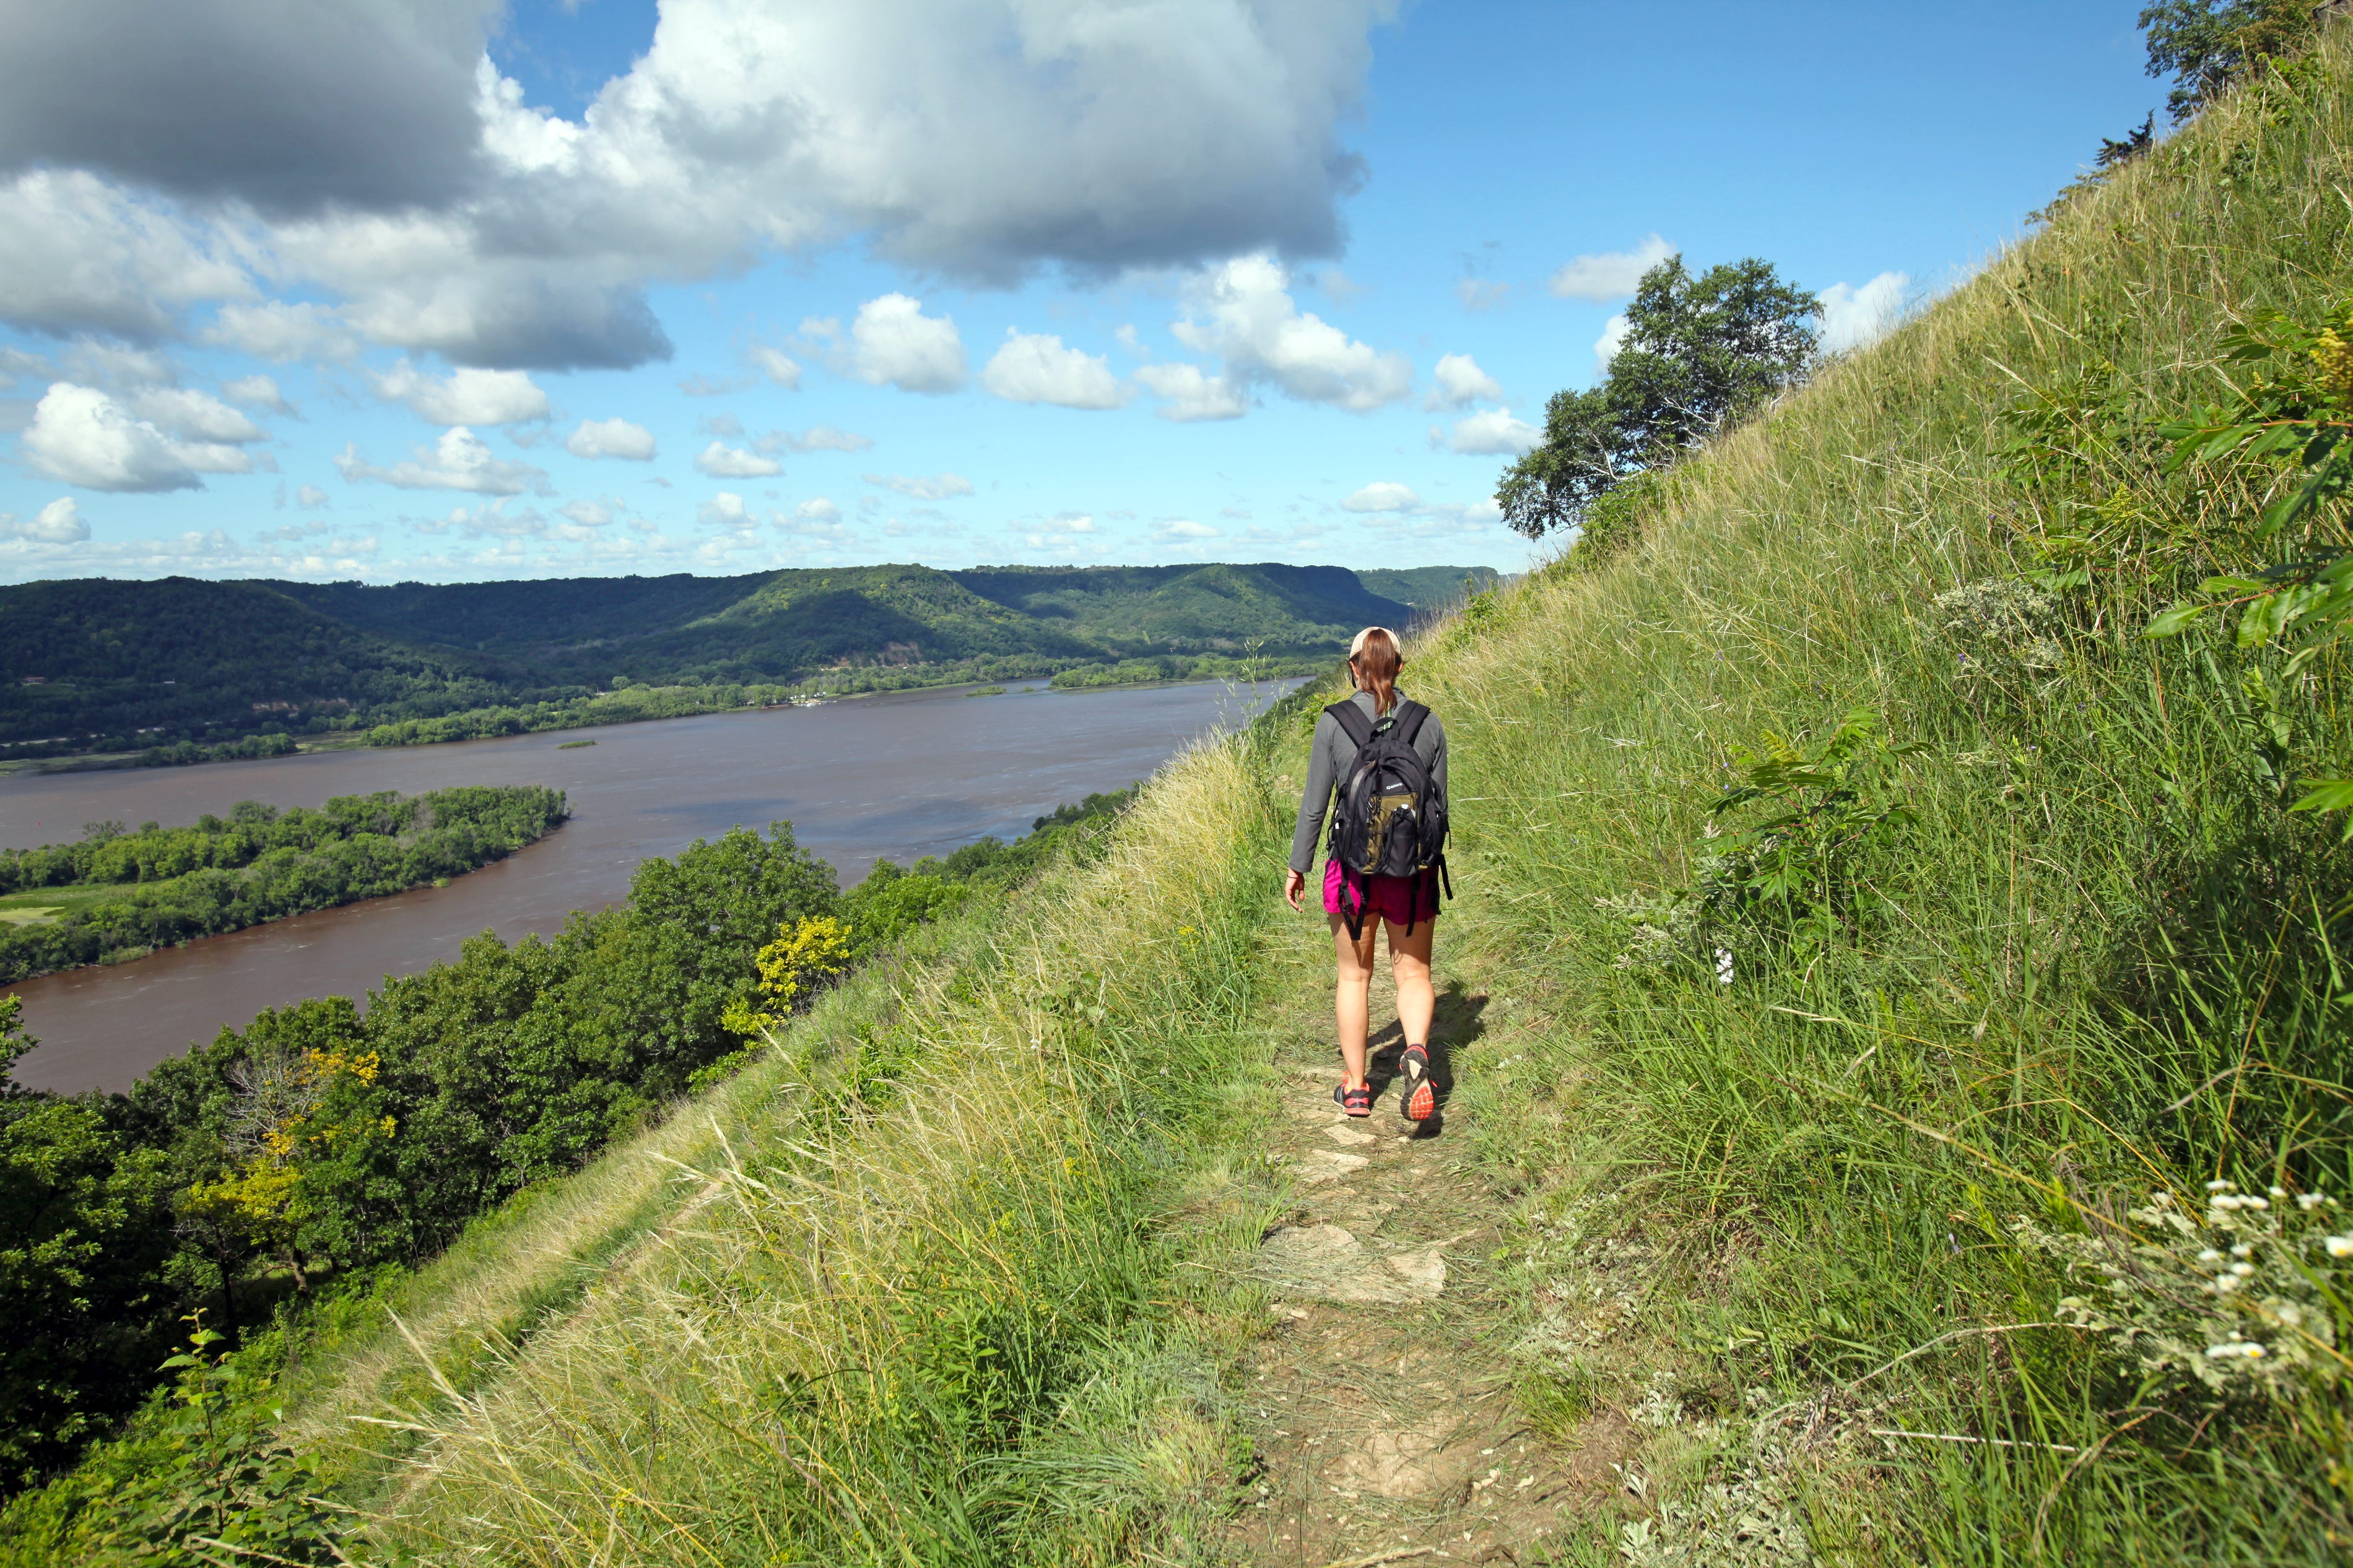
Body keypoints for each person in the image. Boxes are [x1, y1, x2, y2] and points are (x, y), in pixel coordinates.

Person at [1282, 626, 1448, 1121]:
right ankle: (1415, 1051)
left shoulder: (1333, 723)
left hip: (1352, 875)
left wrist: (1299, 865)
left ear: (1353, 668)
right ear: (1400, 666)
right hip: (1411, 875)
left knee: (1354, 977)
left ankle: (1356, 1088)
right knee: (1413, 974)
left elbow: (1314, 808)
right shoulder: (1428, 723)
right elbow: (1438, 809)